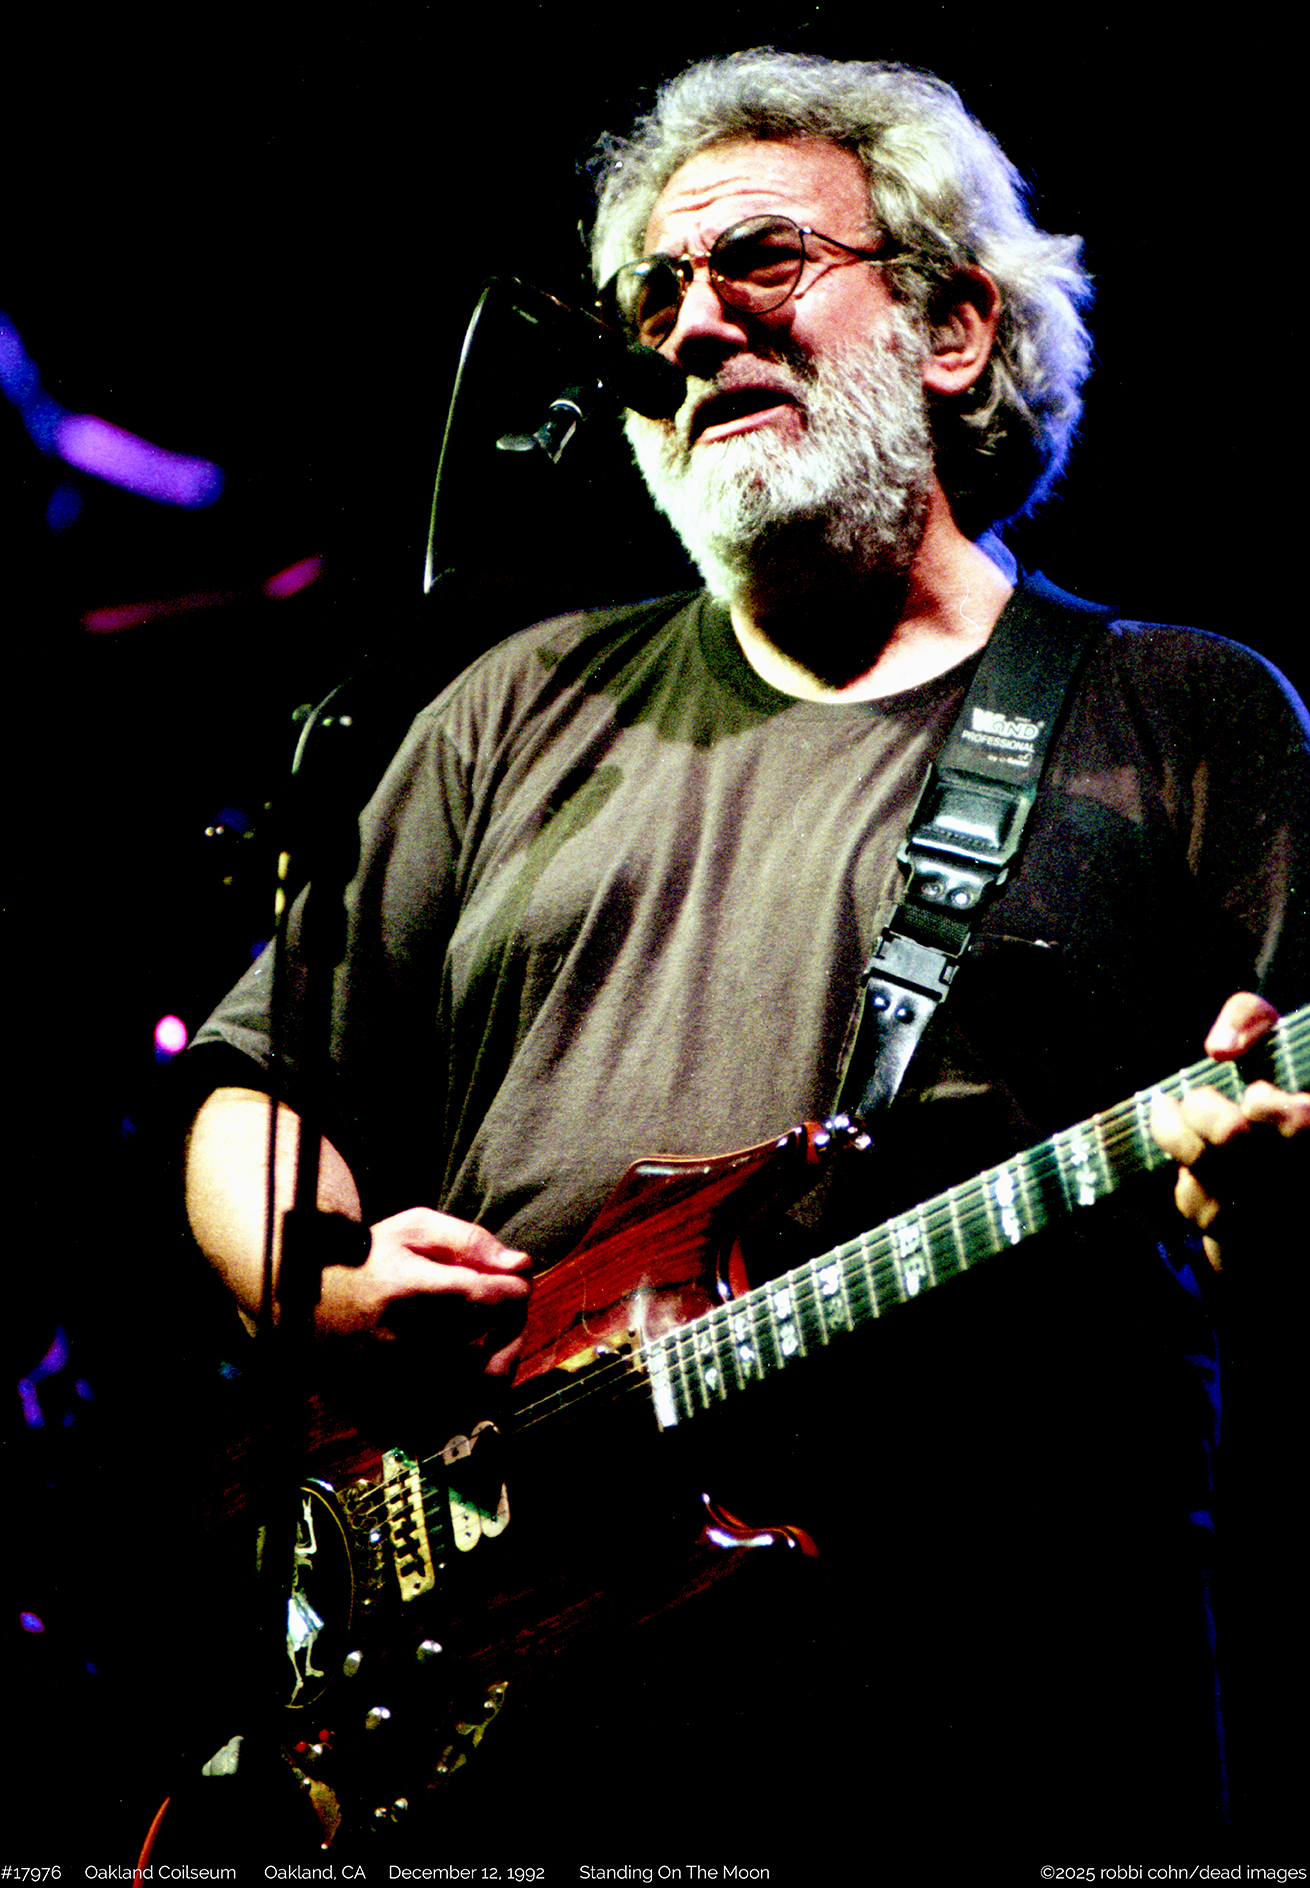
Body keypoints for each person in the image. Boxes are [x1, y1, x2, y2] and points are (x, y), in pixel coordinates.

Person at [182, 50, 1308, 1856]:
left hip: (987, 1685)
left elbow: (1277, 1131)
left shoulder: (1175, 712)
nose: (692, 327)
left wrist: (1263, 1194)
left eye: (762, 260)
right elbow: (258, 1083)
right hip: (515, 1680)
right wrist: (305, 1277)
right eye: (656, 296)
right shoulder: (511, 706)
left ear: (952, 330)